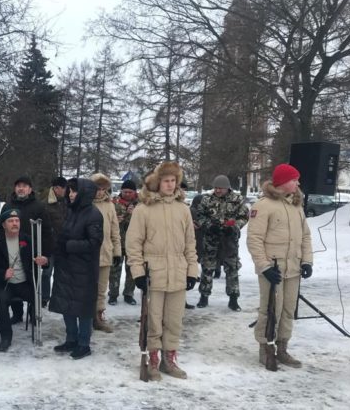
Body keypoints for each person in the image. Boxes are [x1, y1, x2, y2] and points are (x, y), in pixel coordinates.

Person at [125, 161, 198, 381]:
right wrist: (138, 272)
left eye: (173, 180)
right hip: (153, 273)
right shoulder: (143, 209)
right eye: (166, 180)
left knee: (174, 320)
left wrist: (192, 271)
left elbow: (190, 243)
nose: (170, 184)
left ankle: (170, 359)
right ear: (158, 182)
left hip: (178, 272)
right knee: (154, 321)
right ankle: (153, 359)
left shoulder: (183, 209)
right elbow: (133, 244)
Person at [247, 163, 312, 369]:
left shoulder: (296, 206)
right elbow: (254, 239)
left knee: (288, 309)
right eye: (294, 180)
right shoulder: (263, 206)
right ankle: (266, 348)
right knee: (270, 309)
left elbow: (305, 236)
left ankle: (282, 347)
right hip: (272, 269)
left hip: (293, 268)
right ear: (282, 182)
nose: (298, 183)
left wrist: (307, 261)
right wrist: (264, 266)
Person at [49, 178, 103, 360]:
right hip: (67, 267)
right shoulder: (71, 210)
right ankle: (71, 339)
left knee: (83, 308)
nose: (71, 194)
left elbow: (94, 242)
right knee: (67, 305)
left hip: (84, 270)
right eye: (70, 191)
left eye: (74, 191)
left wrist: (70, 246)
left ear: (84, 193)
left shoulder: (94, 214)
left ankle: (83, 343)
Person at [0, 208, 48, 352]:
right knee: (1, 299)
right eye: (10, 221)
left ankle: (34, 319)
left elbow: (40, 257)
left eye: (17, 220)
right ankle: (6, 337)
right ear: (4, 225)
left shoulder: (27, 239)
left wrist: (44, 260)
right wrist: (3, 274)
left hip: (25, 283)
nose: (15, 223)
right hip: (6, 285)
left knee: (36, 295)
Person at [195, 175, 249, 311]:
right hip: (211, 238)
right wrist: (208, 226)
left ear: (227, 188)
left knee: (232, 268)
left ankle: (233, 298)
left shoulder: (237, 200)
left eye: (221, 188)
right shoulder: (207, 199)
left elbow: (244, 216)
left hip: (229, 239)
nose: (218, 190)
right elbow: (199, 216)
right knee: (207, 267)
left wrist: (234, 227)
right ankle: (204, 296)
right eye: (216, 188)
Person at [5, 176, 53, 323]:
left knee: (34, 284)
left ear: (30, 189)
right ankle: (17, 313)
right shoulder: (8, 206)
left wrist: (45, 254)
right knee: (14, 281)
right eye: (18, 186)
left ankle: (33, 313)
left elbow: (46, 231)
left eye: (24, 186)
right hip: (12, 250)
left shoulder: (39, 206)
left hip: (33, 252)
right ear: (15, 188)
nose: (21, 188)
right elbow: (0, 227)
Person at [90, 173, 121, 333]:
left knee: (102, 289)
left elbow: (115, 230)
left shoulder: (110, 206)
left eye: (103, 189)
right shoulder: (85, 204)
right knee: (88, 288)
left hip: (105, 252)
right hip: (88, 255)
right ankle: (86, 317)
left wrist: (117, 252)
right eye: (97, 188)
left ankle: (99, 317)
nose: (100, 192)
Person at [109, 179, 139, 306]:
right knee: (114, 270)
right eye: (125, 191)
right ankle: (113, 294)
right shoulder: (113, 203)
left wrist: (134, 214)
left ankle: (129, 294)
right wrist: (115, 220)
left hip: (134, 243)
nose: (127, 194)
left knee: (132, 270)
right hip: (118, 242)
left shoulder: (141, 204)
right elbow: (107, 221)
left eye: (130, 192)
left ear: (135, 192)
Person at [43, 176, 67, 307]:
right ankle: (44, 297)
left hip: (65, 244)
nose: (62, 190)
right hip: (50, 245)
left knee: (61, 273)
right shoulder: (45, 203)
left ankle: (58, 296)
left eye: (63, 188)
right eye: (58, 188)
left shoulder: (69, 202)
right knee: (46, 273)